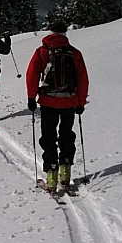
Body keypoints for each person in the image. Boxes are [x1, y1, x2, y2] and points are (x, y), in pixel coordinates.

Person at [26, 20, 89, 192]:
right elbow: (83, 79)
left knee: (48, 136)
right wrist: (81, 102)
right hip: (69, 101)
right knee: (66, 135)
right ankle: (65, 172)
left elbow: (32, 74)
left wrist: (31, 97)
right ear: (65, 33)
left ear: (50, 32)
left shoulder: (42, 52)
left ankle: (51, 176)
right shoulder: (74, 53)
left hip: (47, 101)